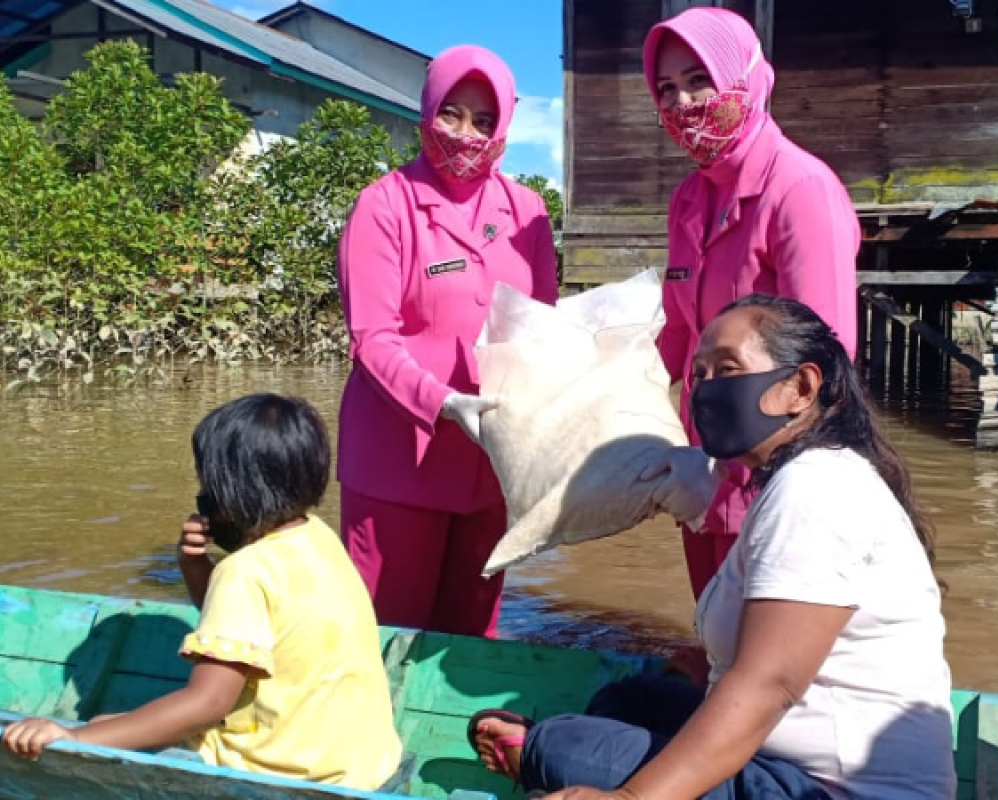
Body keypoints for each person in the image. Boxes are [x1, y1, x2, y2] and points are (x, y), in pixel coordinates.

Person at [468, 296, 954, 799]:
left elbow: (772, 686)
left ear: (801, 388)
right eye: (699, 374)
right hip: (784, 754)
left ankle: (540, 754)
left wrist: (631, 799)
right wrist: (714, 663)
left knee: (563, 747)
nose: (706, 390)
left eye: (727, 368)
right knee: (628, 700)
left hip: (830, 788)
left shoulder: (814, 490)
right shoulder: (794, 479)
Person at [1, 394, 402, 792]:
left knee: (97, 728)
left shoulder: (243, 571)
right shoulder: (317, 537)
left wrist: (76, 742)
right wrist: (195, 566)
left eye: (209, 487)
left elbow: (207, 704)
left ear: (234, 495)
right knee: (110, 726)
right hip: (364, 762)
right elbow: (247, 622)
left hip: (292, 771)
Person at [336, 45, 559, 635]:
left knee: (473, 642)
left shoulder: (527, 212)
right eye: (452, 114)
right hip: (399, 465)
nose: (467, 135)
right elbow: (372, 339)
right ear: (427, 111)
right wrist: (443, 402)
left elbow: (543, 329)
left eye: (485, 122)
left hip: (489, 468)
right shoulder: (383, 207)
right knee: (385, 635)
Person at [645, 7, 863, 599]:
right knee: (716, 641)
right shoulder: (689, 199)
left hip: (776, 482)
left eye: (699, 79)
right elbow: (676, 337)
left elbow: (828, 356)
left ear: (743, 76)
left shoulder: (801, 191)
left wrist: (745, 462)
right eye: (667, 88)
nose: (683, 101)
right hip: (699, 475)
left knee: (766, 661)